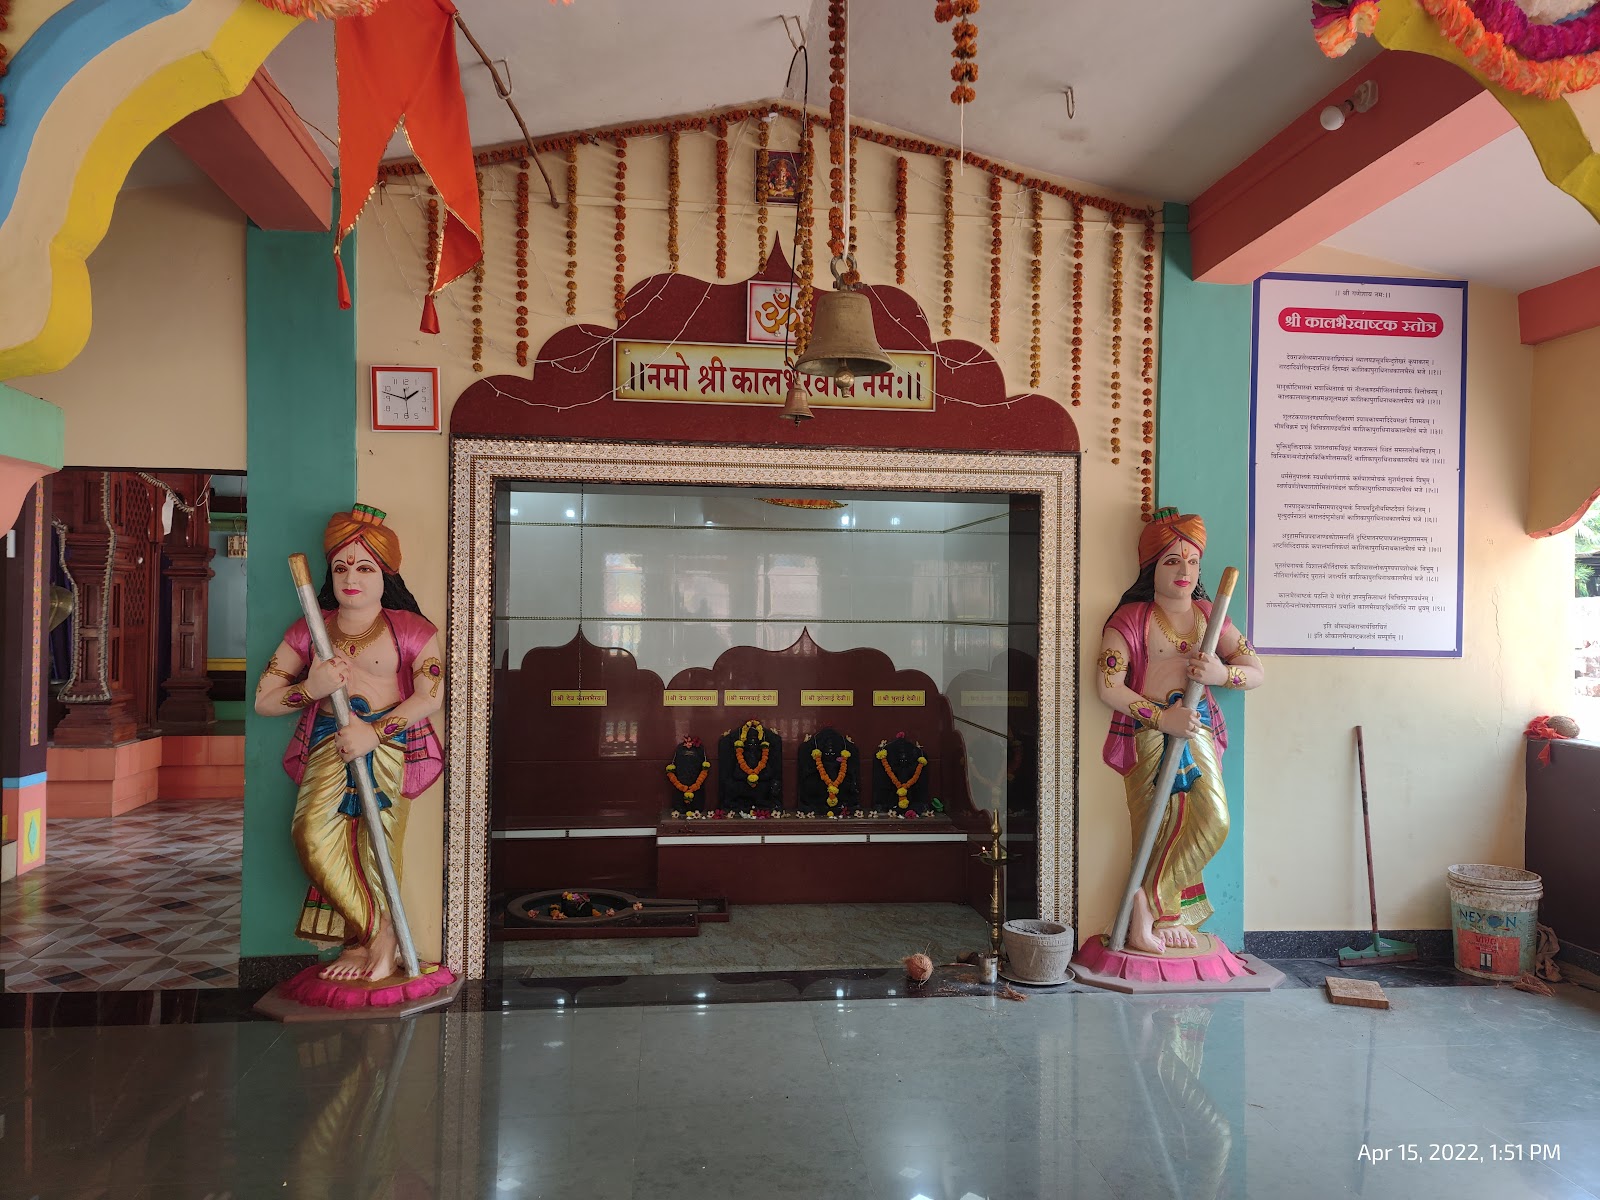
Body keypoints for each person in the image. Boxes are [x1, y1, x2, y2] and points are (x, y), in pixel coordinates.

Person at [254, 505, 444, 982]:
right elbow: (264, 700)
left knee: (377, 849)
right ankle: (380, 934)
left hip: (389, 746)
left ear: (386, 575)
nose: (351, 578)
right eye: (340, 568)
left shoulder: (411, 629)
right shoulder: (309, 629)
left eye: (364, 568)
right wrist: (311, 689)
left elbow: (431, 696)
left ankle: (372, 948)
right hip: (330, 741)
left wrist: (373, 733)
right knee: (312, 838)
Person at [1096, 508, 1263, 956]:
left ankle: (1145, 906)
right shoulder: (1131, 618)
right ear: (1152, 567)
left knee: (1212, 820)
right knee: (1155, 825)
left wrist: (1221, 673)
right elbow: (1109, 687)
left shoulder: (1211, 616)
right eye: (1172, 560)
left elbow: (1256, 671)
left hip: (1197, 726)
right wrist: (1160, 718)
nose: (1184, 570)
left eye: (1192, 561)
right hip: (1148, 732)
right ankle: (1162, 918)